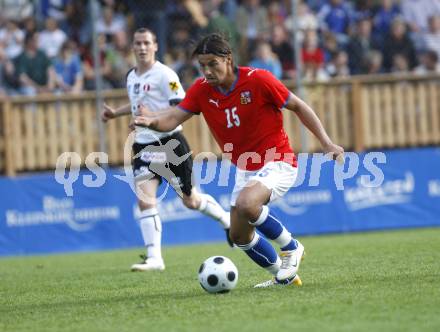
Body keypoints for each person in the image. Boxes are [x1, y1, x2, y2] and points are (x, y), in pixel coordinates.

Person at [133, 33, 344, 287]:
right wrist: (153, 122)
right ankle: (283, 277)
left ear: (228, 59)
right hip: (246, 169)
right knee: (239, 236)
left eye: (213, 64)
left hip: (279, 161)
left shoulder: (259, 80)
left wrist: (326, 142)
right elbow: (174, 118)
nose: (208, 71)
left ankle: (291, 247)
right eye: (203, 66)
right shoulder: (201, 90)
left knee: (246, 203)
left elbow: (299, 106)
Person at [101, 28, 231, 272]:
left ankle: (225, 219)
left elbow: (181, 106)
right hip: (143, 144)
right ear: (132, 47)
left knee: (191, 201)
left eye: (146, 43)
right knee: (144, 199)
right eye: (138, 43)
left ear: (155, 46)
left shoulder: (165, 75)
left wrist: (152, 117)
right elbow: (137, 104)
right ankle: (155, 258)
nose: (142, 47)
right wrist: (115, 113)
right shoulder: (131, 76)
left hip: (171, 143)